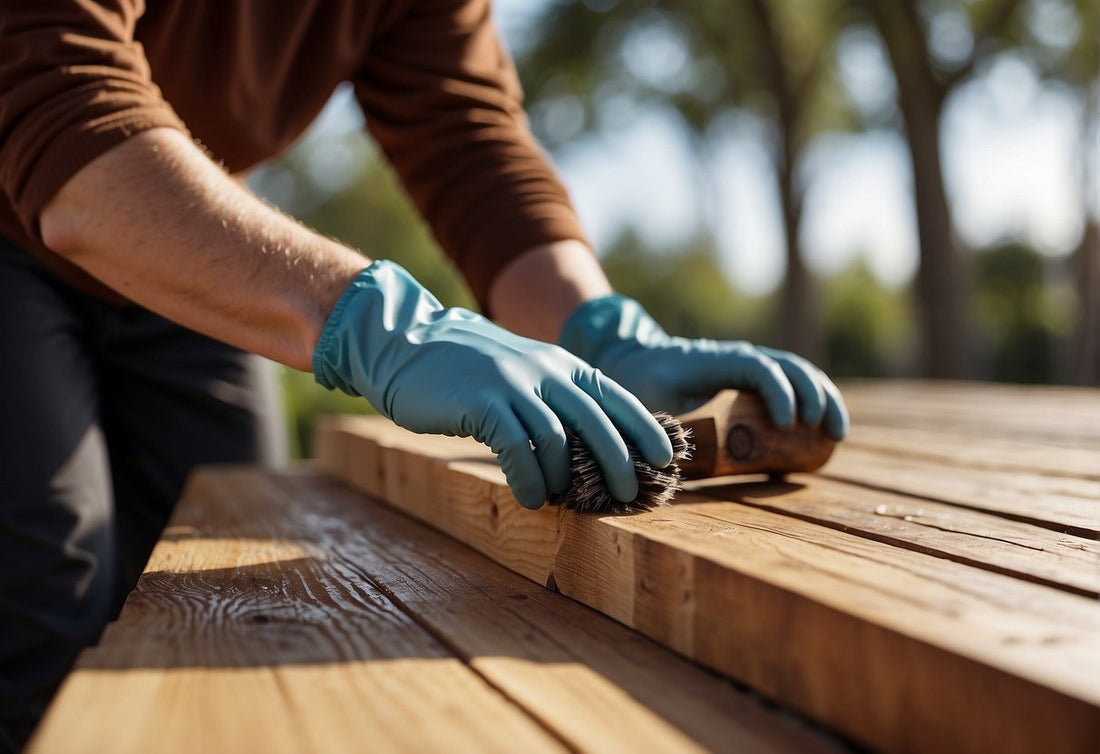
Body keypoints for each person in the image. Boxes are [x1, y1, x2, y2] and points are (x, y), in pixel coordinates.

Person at [0, 1, 847, 750]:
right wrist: (382, 328)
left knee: (214, 583)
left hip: (192, 245)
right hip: (34, 214)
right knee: (42, 588)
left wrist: (601, 330)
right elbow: (60, 104)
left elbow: (467, 140)